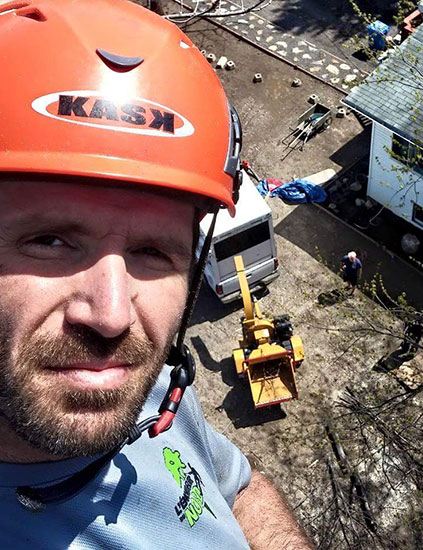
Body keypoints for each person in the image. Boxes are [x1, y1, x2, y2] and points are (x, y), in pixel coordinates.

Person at [0, 1, 314, 548]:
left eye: (153, 251)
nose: (113, 316)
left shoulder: (152, 393)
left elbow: (237, 488)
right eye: (49, 241)